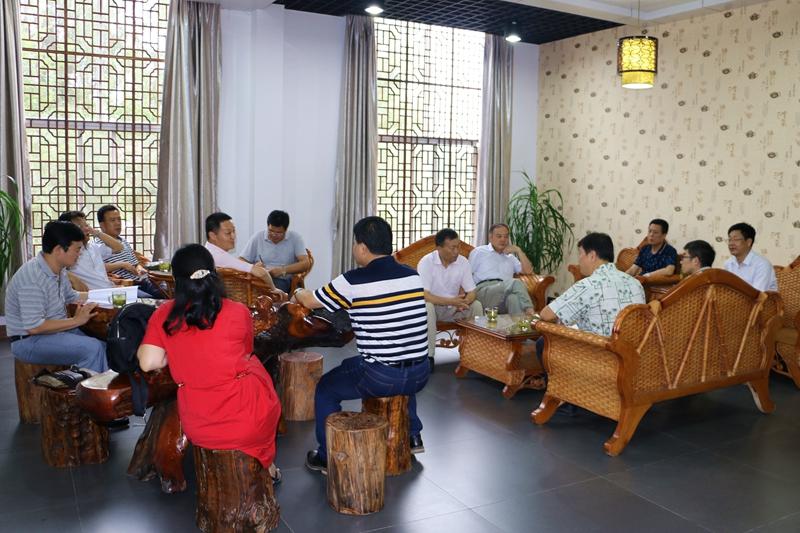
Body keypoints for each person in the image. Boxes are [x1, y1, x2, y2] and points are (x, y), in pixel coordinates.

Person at [293, 216, 430, 474]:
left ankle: (325, 457)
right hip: (421, 374)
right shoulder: (412, 275)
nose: (354, 248)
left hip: (382, 376)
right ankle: (414, 435)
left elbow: (310, 301)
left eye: (355, 243)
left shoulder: (353, 280)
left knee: (326, 388)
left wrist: (298, 291)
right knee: (386, 359)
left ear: (363, 247)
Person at [137, 244, 281, 479]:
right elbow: (245, 351)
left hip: (199, 424)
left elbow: (148, 362)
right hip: (248, 418)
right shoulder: (238, 311)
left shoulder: (164, 314)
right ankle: (267, 465)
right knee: (254, 368)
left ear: (177, 281)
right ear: (214, 274)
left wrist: (175, 350)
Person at [4, 221, 108, 372]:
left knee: (105, 343)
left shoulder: (59, 270)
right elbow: (34, 327)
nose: (79, 254)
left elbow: (72, 296)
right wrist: (75, 320)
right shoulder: (33, 278)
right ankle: (85, 386)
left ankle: (101, 385)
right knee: (93, 348)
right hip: (29, 341)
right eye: (77, 249)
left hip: (55, 332)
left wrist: (107, 295)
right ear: (59, 249)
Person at [538, 232, 646, 336]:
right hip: (631, 347)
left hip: (597, 347)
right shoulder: (635, 283)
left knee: (542, 341)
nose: (579, 259)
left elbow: (546, 315)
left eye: (580, 253)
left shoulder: (588, 285)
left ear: (592, 256)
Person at [417, 228, 482, 357]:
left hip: (455, 309)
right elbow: (425, 295)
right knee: (427, 307)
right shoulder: (426, 262)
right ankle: (429, 356)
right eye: (452, 248)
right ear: (439, 248)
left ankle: (476, 354)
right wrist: (451, 301)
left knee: (477, 305)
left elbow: (472, 291)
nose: (456, 251)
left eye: (458, 247)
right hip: (434, 308)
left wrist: (465, 302)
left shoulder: (463, 262)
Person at [95, 204, 166, 298]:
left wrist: (140, 268)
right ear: (102, 225)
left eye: (119, 219)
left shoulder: (123, 241)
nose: (117, 223)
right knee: (148, 300)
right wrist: (122, 264)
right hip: (124, 285)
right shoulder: (97, 245)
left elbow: (136, 264)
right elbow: (96, 267)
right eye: (112, 220)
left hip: (141, 280)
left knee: (166, 293)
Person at [468, 223, 536, 316]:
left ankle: (518, 324)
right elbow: (467, 274)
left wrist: (518, 250)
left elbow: (528, 271)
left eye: (506, 236)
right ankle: (530, 311)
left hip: (504, 293)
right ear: (490, 237)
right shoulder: (479, 252)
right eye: (499, 236)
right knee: (515, 282)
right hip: (484, 292)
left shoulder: (510, 257)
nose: (503, 239)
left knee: (513, 299)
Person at [204, 212, 278, 290]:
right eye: (228, 233)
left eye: (234, 231)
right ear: (212, 235)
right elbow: (262, 273)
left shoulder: (208, 250)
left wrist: (253, 268)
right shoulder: (219, 256)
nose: (233, 236)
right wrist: (274, 290)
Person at [240, 210, 309, 293]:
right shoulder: (258, 237)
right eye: (271, 231)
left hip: (282, 279)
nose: (274, 235)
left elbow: (305, 263)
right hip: (258, 278)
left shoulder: (295, 238)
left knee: (269, 292)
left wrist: (282, 270)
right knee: (242, 290)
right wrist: (254, 267)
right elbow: (241, 260)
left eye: (279, 233)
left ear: (286, 230)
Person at [58, 210, 121, 291]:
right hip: (91, 295)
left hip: (110, 290)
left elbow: (118, 247)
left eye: (87, 225)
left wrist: (95, 232)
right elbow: (51, 266)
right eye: (80, 226)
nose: (86, 229)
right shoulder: (67, 252)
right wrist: (71, 277)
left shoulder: (93, 247)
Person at [723, 222, 778, 291]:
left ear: (749, 242)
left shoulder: (762, 265)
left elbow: (757, 294)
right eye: (730, 239)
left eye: (736, 239)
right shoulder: (728, 263)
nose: (731, 243)